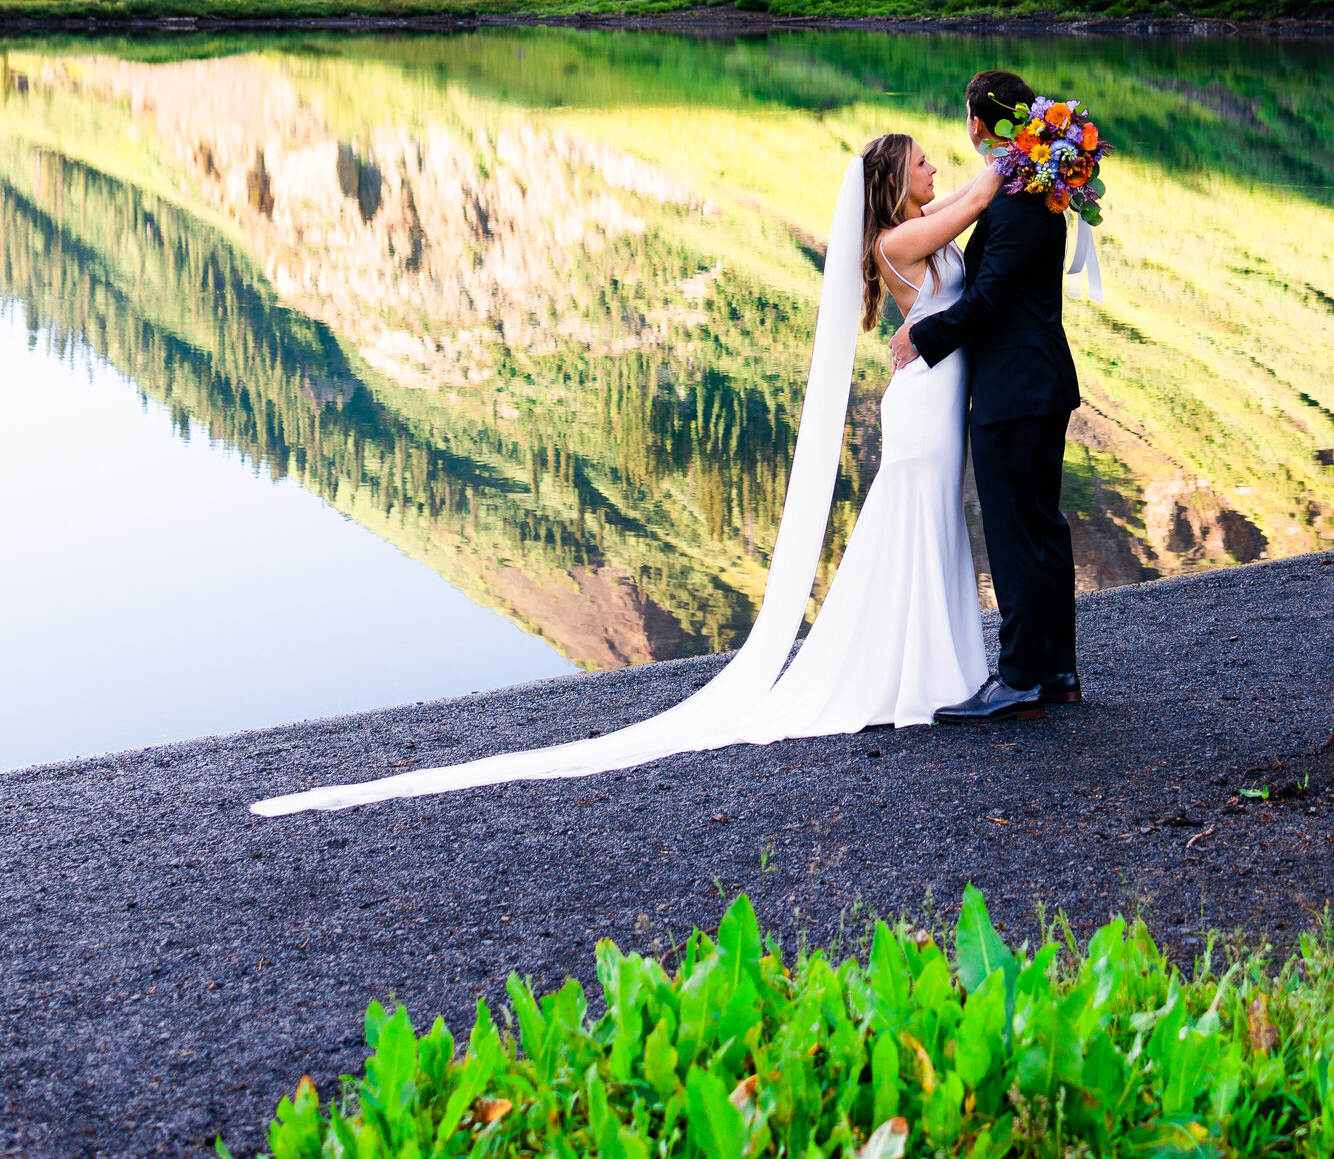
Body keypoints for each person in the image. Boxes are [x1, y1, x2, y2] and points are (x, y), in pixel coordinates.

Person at [250, 131, 999, 815]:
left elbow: (967, 209)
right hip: (923, 405)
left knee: (930, 522)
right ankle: (917, 675)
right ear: (897, 182)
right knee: (916, 523)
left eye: (936, 159)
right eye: (923, 162)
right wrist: (1040, 146)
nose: (936, 168)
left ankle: (925, 668)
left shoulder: (910, 234)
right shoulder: (898, 240)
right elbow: (974, 199)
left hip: (938, 397)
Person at [890, 68, 1082, 722]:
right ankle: (1057, 671)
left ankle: (1022, 677)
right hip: (1035, 383)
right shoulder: (1029, 189)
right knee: (1043, 530)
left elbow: (992, 297)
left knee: (1016, 535)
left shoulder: (1018, 201)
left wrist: (924, 337)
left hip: (1017, 390)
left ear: (977, 124)